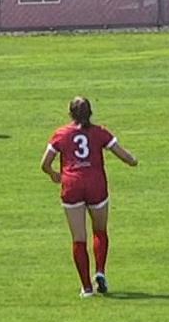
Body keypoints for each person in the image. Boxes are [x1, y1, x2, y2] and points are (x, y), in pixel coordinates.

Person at [40, 97, 138, 298]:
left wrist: (53, 174)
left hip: (72, 185)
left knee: (78, 239)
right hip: (96, 184)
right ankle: (100, 271)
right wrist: (133, 161)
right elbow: (124, 156)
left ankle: (86, 288)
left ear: (70, 114)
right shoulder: (100, 132)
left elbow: (45, 163)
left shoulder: (60, 134)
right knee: (100, 231)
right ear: (90, 113)